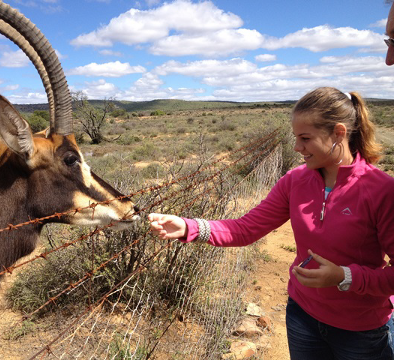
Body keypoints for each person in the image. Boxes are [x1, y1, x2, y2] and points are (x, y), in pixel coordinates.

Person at [149, 87, 394, 360]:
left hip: (361, 330)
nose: (297, 148)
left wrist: (344, 277)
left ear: (338, 133)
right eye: (296, 138)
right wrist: (189, 227)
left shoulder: (381, 190)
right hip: (302, 316)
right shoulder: (295, 181)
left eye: (305, 138)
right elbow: (246, 229)